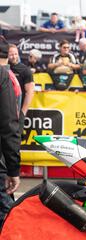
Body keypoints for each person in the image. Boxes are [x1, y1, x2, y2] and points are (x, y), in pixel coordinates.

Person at [0, 44, 21, 224]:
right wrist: (13, 168)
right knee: (6, 213)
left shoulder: (8, 77)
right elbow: (9, 125)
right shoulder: (6, 76)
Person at [8, 45, 34, 117]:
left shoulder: (25, 70)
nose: (14, 57)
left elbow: (30, 93)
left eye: (16, 54)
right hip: (5, 109)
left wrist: (23, 112)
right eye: (11, 55)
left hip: (18, 111)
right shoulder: (3, 68)